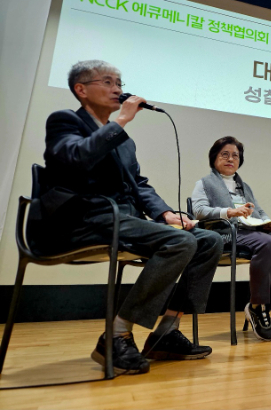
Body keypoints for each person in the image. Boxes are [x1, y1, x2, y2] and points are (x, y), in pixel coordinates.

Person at [37, 60, 223, 375]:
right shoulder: (65, 121)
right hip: (85, 219)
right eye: (108, 82)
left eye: (119, 83)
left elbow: (138, 184)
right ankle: (117, 334)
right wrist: (121, 120)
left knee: (209, 240)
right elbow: (76, 158)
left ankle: (166, 332)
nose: (118, 90)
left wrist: (165, 213)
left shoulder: (122, 140)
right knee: (180, 242)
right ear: (81, 90)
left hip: (124, 220)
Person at [191, 136, 271, 342]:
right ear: (214, 158)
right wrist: (229, 212)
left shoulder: (244, 186)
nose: (231, 159)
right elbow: (199, 210)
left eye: (235, 156)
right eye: (225, 154)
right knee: (268, 243)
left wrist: (267, 222)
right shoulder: (204, 183)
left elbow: (259, 211)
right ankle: (257, 306)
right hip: (224, 233)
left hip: (252, 233)